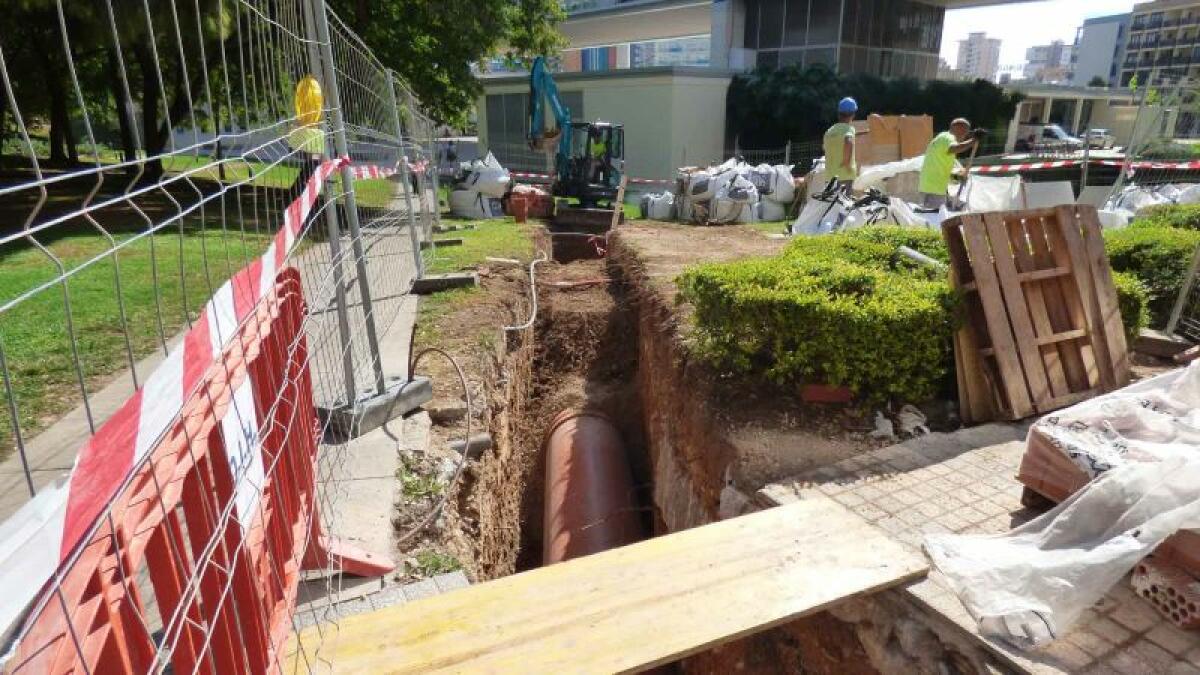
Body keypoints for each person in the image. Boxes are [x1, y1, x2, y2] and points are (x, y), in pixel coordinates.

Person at [919, 118, 981, 209]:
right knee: (934, 220)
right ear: (959, 129)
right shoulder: (948, 138)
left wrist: (957, 177)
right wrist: (973, 140)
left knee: (934, 218)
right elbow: (955, 148)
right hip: (934, 189)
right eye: (965, 132)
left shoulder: (942, 139)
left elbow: (940, 169)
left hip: (932, 187)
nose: (965, 136)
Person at [823, 97, 859, 189]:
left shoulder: (829, 131)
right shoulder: (849, 129)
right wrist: (846, 163)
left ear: (839, 114)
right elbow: (848, 141)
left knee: (831, 202)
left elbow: (825, 148)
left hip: (830, 176)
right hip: (845, 175)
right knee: (845, 202)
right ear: (853, 115)